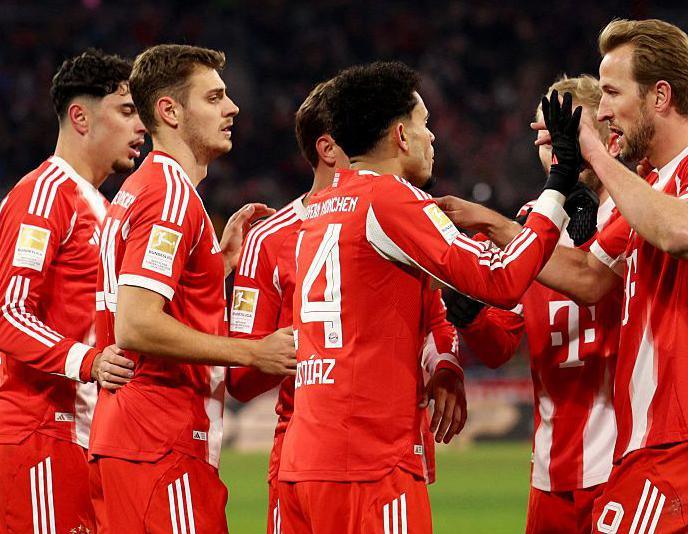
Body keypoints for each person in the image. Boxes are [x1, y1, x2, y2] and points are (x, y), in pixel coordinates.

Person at [440, 19, 688, 532]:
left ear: (660, 96)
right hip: (650, 444)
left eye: (612, 93)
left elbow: (685, 232)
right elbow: (589, 277)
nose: (605, 111)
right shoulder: (653, 187)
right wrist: (489, 226)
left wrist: (594, 151)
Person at [279, 60, 582, 533]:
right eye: (424, 124)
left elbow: (395, 307)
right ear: (401, 135)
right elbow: (499, 278)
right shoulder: (391, 198)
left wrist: (443, 359)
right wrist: (557, 191)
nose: (432, 137)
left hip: (307, 459)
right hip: (370, 465)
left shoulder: (320, 209)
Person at [225, 79, 466, 533]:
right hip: (306, 454)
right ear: (329, 148)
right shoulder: (267, 238)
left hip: (387, 445)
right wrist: (301, 352)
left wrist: (447, 364)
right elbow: (241, 376)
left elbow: (436, 314)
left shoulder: (396, 215)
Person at [87, 44, 296, 533]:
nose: (233, 108)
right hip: (160, 445)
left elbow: (153, 296)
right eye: (215, 97)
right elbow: (137, 323)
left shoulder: (143, 188)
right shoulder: (170, 194)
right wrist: (251, 353)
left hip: (134, 444)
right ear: (170, 111)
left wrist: (214, 265)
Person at [441, 75, 622, 534]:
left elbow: (590, 280)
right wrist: (472, 316)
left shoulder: (634, 210)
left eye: (565, 137)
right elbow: (501, 345)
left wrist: (494, 224)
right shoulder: (532, 220)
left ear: (608, 134)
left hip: (624, 464)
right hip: (550, 470)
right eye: (544, 139)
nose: (554, 152)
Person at [0, 48, 144, 534]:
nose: (140, 127)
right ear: (79, 116)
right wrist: (88, 362)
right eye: (127, 111)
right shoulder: (43, 196)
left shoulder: (106, 211)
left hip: (87, 437)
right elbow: (8, 312)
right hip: (38, 433)